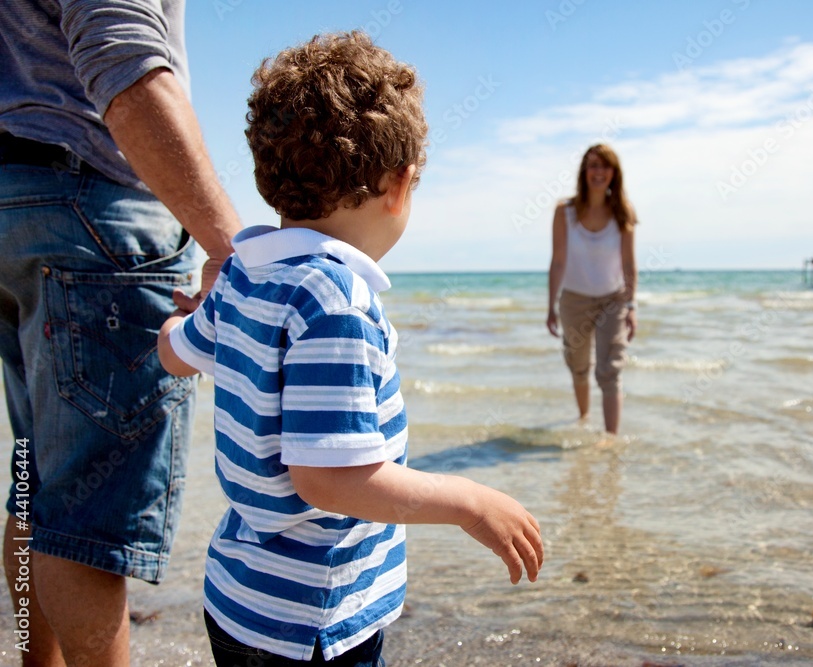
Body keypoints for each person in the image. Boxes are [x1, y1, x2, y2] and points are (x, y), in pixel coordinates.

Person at [157, 31, 543, 666]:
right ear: (399, 184)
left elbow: (176, 355)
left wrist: (181, 322)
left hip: (237, 599)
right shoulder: (334, 299)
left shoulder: (246, 274)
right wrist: (470, 503)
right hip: (314, 622)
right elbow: (328, 480)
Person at [1, 1, 243, 666]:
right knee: (86, 522)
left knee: (36, 478)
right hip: (90, 208)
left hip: (16, 204)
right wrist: (229, 246)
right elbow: (122, 55)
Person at [547, 144, 638, 434]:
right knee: (578, 366)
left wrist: (631, 306)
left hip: (613, 300)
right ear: (584, 172)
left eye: (605, 166)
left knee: (610, 370)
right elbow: (558, 261)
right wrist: (551, 306)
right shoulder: (566, 212)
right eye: (593, 166)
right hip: (574, 300)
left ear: (614, 173)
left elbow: (629, 264)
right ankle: (584, 420)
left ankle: (611, 440)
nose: (599, 172)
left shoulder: (623, 212)